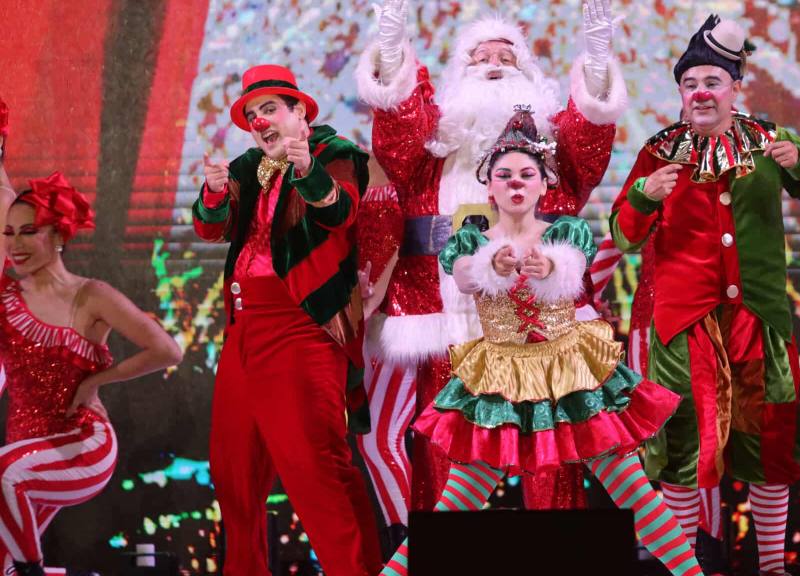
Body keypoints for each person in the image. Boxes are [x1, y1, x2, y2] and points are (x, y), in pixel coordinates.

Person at [377, 106, 701, 576]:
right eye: (504, 175)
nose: (516, 183)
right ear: (488, 186)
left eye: (527, 174)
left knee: (632, 489)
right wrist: (490, 266)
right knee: (454, 506)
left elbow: (574, 264)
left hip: (571, 378)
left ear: (545, 183)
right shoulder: (470, 242)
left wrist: (550, 267)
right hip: (501, 381)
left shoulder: (565, 233)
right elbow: (463, 276)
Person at [355, 0, 628, 539]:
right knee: (446, 445)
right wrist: (390, 42)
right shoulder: (432, 146)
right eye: (479, 57)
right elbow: (397, 126)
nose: (493, 64)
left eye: (506, 56)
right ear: (459, 74)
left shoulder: (552, 152)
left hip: (541, 321)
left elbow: (589, 134)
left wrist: (597, 58)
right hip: (447, 314)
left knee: (550, 448)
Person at [610, 16, 800, 576]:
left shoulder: (770, 141)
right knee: (683, 452)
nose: (701, 92)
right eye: (690, 83)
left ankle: (772, 567)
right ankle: (685, 569)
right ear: (680, 93)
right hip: (685, 329)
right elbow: (623, 236)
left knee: (770, 447)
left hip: (758, 320)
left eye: (712, 82)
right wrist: (644, 196)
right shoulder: (659, 152)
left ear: (735, 88)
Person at [192, 65, 380, 575]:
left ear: (301, 112)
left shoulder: (336, 154)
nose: (260, 121)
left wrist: (308, 170)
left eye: (270, 109)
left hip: (301, 327)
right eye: (253, 114)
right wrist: (213, 194)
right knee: (234, 472)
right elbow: (212, 230)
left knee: (314, 470)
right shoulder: (250, 165)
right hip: (243, 328)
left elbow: (340, 213)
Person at [0, 121, 183, 575]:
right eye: (9, 233)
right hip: (25, 456)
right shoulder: (6, 297)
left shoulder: (91, 295)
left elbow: (166, 350)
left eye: (29, 232)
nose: (15, 244)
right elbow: (4, 197)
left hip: (83, 448)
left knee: (4, 477)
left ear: (59, 235)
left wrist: (96, 381)